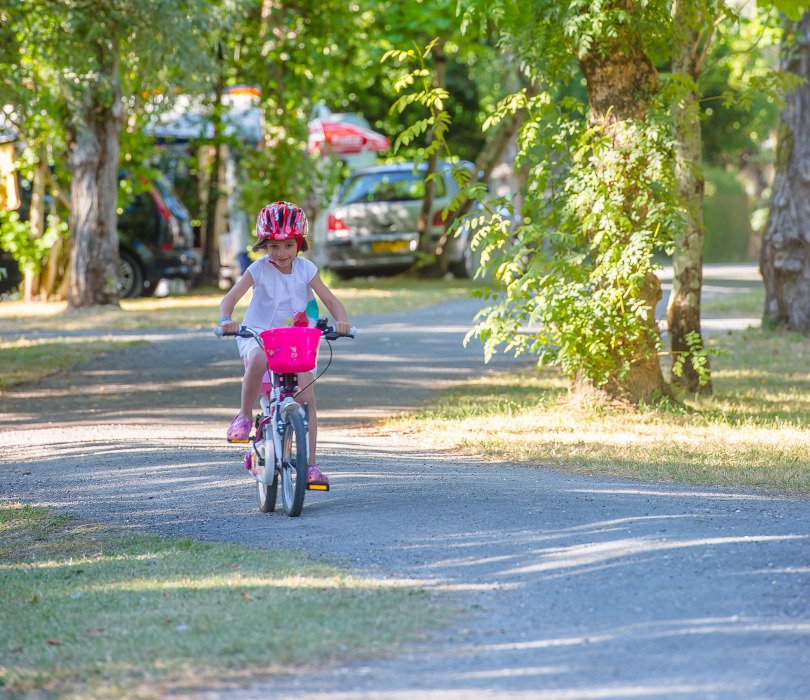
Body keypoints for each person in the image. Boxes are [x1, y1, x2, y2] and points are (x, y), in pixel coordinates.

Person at [218, 201, 351, 488]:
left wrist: (342, 320)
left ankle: (310, 465)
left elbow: (330, 300)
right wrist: (227, 318)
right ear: (264, 245)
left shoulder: (306, 269)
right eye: (274, 246)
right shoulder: (258, 269)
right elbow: (229, 299)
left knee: (308, 398)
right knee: (259, 360)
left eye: (289, 245)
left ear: (299, 243)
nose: (281, 253)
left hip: (294, 340)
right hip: (258, 335)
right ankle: (243, 415)